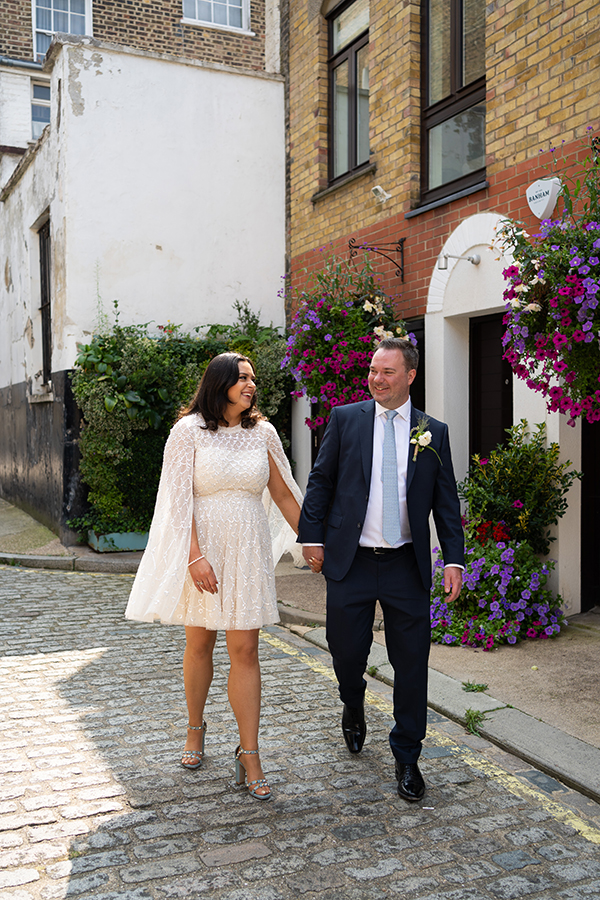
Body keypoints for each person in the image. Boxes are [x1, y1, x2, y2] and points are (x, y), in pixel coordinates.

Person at [126, 352, 302, 800]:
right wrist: (193, 557)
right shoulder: (188, 432)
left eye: (253, 379)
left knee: (245, 649)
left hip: (248, 551)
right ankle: (194, 729)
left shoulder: (263, 432)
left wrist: (315, 541)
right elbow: (176, 499)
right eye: (242, 378)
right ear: (219, 382)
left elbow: (282, 494)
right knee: (199, 642)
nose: (251, 385)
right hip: (202, 552)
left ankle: (250, 753)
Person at [298, 337, 463, 801]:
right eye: (373, 370)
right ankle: (353, 703)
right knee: (346, 651)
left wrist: (453, 558)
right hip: (350, 562)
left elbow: (446, 502)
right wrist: (311, 537)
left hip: (405, 565)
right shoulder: (346, 419)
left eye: (387, 372)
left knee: (412, 664)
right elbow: (321, 479)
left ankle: (407, 756)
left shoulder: (433, 431)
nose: (376, 378)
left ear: (410, 376)